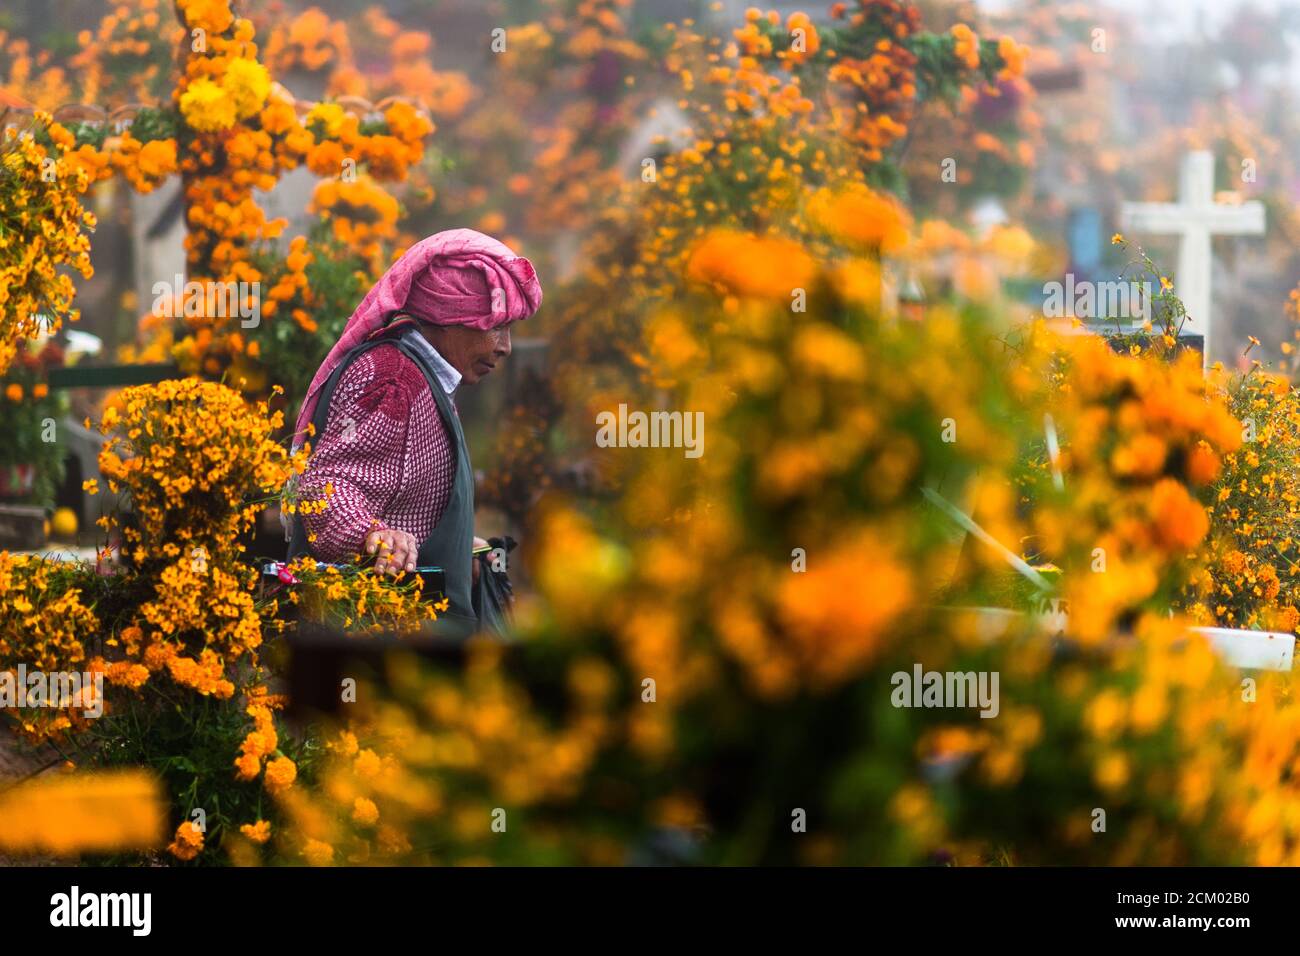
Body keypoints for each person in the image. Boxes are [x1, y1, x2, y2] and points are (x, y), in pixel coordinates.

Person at [283, 228, 542, 636]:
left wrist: (456, 550)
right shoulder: (394, 381)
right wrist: (374, 535)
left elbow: (397, 492)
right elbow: (325, 487)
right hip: (376, 641)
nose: (505, 347)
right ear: (450, 320)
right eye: (497, 327)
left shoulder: (425, 379)